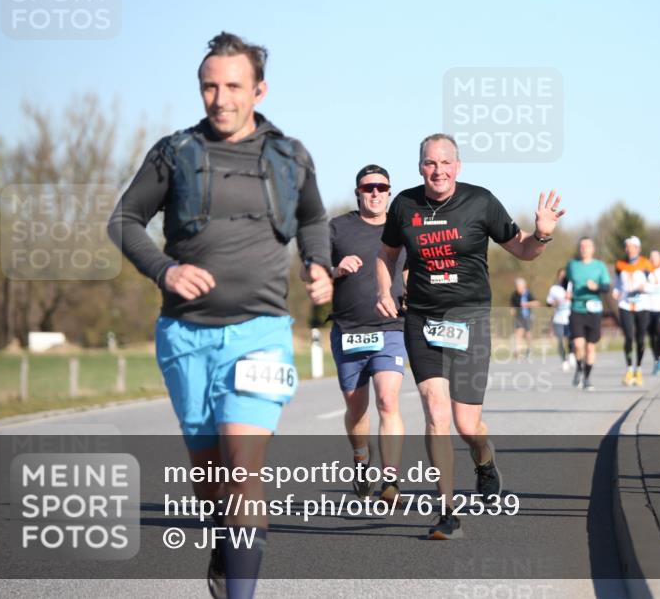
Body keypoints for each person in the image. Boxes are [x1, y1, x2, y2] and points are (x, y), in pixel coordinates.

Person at [109, 32, 333, 599]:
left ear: (258, 89)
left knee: (243, 470)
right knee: (211, 477)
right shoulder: (175, 153)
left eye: (232, 86)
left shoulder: (288, 156)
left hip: (262, 332)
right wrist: (165, 270)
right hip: (185, 336)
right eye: (209, 86)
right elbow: (125, 221)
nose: (220, 98)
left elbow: (312, 219)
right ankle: (224, 538)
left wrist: (318, 264)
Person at [375, 133, 565, 540]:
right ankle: (447, 513)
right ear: (420, 166)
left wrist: (543, 234)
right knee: (435, 413)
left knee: (466, 422)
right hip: (421, 320)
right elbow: (387, 254)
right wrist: (383, 289)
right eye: (430, 162)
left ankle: (484, 461)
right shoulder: (404, 205)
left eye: (445, 162)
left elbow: (524, 250)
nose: (438, 170)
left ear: (457, 167)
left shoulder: (481, 201)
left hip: (471, 320)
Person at [329, 165, 407, 503]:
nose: (374, 192)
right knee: (356, 410)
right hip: (349, 330)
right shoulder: (337, 228)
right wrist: (335, 269)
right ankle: (361, 457)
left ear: (389, 191)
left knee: (388, 400)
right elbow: (312, 272)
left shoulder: (403, 227)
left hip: (392, 327)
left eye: (381, 187)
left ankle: (390, 479)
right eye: (368, 187)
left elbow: (418, 266)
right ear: (358, 192)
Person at [567, 237, 612, 391]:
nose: (584, 248)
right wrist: (565, 293)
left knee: (590, 347)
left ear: (593, 249)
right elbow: (564, 283)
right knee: (578, 344)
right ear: (579, 249)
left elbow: (606, 287)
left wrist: (596, 287)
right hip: (576, 307)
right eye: (582, 246)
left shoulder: (599, 266)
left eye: (587, 246)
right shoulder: (572, 265)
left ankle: (586, 377)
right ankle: (579, 369)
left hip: (594, 309)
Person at [612, 236, 651, 386]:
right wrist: (615, 291)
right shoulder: (619, 264)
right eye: (627, 247)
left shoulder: (646, 264)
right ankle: (629, 369)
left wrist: (644, 288)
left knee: (640, 339)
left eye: (632, 247)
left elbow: (654, 286)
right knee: (628, 337)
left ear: (638, 249)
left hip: (643, 305)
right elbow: (617, 283)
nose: (629, 249)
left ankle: (638, 370)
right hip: (625, 305)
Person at [546, 268, 573, 372]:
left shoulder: (572, 286)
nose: (563, 277)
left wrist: (572, 297)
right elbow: (548, 303)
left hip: (570, 316)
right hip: (558, 318)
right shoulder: (554, 289)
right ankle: (564, 361)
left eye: (564, 275)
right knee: (560, 340)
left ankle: (571, 354)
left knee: (571, 339)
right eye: (560, 275)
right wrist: (554, 303)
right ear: (558, 277)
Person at [509, 277, 539, 359]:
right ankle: (518, 352)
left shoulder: (528, 293)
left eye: (519, 286)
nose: (518, 288)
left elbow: (536, 303)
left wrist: (527, 304)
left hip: (527, 316)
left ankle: (530, 349)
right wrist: (512, 310)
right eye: (517, 286)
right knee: (518, 333)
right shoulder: (514, 295)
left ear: (523, 286)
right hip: (519, 317)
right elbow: (512, 304)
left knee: (528, 334)